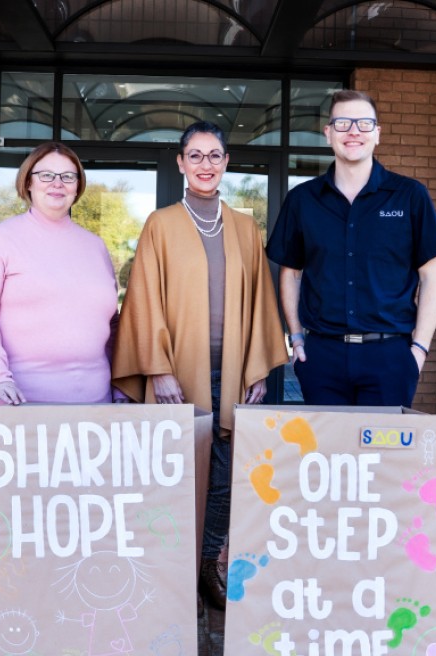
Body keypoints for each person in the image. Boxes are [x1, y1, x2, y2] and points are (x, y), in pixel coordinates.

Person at [111, 121, 288, 610]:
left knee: (223, 479)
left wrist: (256, 370)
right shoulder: (161, 224)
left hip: (230, 372)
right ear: (181, 163)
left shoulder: (245, 227)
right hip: (176, 372)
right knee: (171, 474)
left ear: (226, 162)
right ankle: (167, 570)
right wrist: (158, 369)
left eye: (214, 155)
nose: (205, 164)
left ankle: (209, 565)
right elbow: (143, 300)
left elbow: (260, 301)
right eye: (195, 155)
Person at [267, 90, 436, 407]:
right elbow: (291, 274)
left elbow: (431, 277)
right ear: (328, 133)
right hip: (322, 356)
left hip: (390, 357)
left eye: (364, 123)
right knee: (326, 441)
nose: (353, 131)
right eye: (343, 123)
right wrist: (296, 338)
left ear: (377, 133)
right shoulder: (303, 200)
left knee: (383, 442)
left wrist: (419, 349)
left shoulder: (410, 196)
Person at [0, 141, 124, 406]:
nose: (57, 183)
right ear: (28, 182)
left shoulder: (96, 246)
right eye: (46, 175)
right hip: (14, 404)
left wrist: (120, 387)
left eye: (68, 176)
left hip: (93, 406)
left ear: (77, 186)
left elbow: (112, 325)